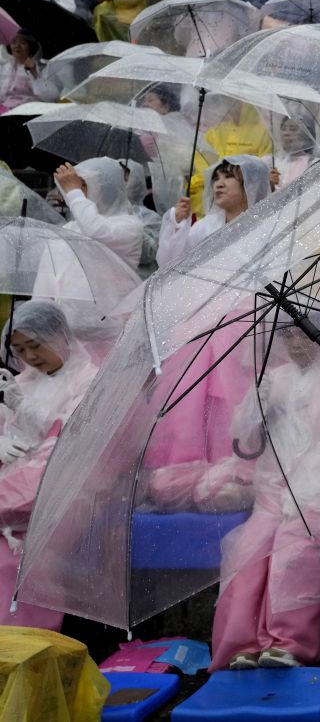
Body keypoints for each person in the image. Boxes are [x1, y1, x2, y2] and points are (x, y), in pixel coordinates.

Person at [210, 318, 320, 670]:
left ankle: (289, 642)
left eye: (303, 334)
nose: (296, 343)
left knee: (294, 549)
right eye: (288, 335)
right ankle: (244, 644)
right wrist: (256, 405)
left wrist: (302, 489)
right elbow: (244, 442)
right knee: (248, 552)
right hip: (271, 495)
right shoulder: (274, 379)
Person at [0, 302, 97, 630]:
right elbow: (14, 432)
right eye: (19, 350)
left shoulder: (89, 378)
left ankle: (26, 633)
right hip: (20, 480)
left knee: (18, 559)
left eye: (35, 345)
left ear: (58, 335)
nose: (29, 357)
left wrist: (20, 406)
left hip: (67, 481)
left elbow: (73, 432)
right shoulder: (26, 381)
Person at [157, 156, 272, 267]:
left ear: (251, 184)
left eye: (228, 177)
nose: (219, 184)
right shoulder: (205, 227)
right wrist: (177, 226)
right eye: (216, 179)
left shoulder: (269, 224)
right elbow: (170, 264)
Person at [51, 159, 144, 271]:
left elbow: (95, 231)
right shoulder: (72, 227)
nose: (79, 190)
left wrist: (74, 193)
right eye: (76, 185)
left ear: (106, 188)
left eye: (84, 185)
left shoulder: (130, 226)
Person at [0, 31, 56, 113]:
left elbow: (49, 98)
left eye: (22, 43)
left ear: (30, 46)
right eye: (13, 42)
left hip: (29, 112)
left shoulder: (43, 67)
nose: (17, 46)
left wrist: (34, 74)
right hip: (6, 111)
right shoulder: (5, 68)